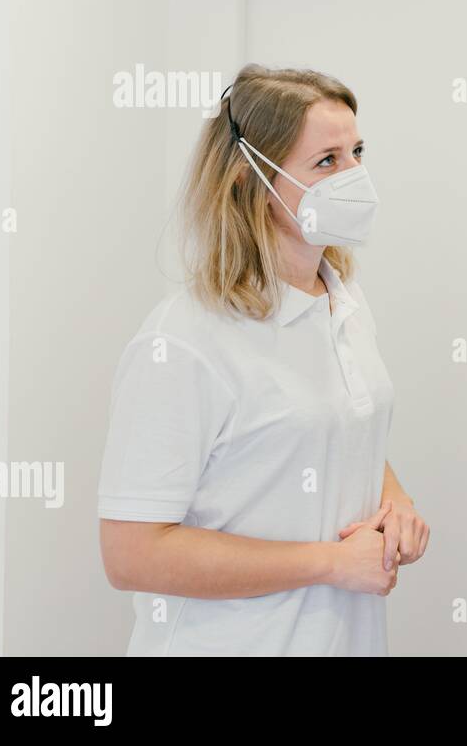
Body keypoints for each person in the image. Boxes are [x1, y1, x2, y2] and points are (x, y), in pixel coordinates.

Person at [98, 64, 428, 655]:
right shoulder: (185, 341)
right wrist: (328, 564)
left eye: (357, 151)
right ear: (252, 181)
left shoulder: (344, 304)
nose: (356, 176)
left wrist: (395, 501)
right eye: (326, 161)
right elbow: (132, 553)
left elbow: (336, 430)